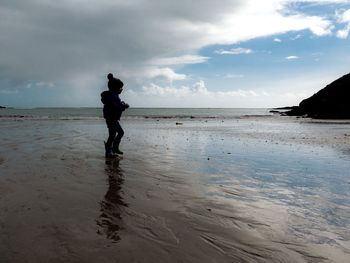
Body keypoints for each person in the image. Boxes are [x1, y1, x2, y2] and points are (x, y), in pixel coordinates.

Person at [101, 73, 129, 158]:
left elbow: (116, 105)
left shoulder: (113, 96)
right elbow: (115, 106)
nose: (121, 89)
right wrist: (124, 106)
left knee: (112, 135)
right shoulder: (112, 96)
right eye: (120, 88)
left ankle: (109, 151)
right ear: (115, 88)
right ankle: (113, 148)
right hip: (111, 118)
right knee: (120, 132)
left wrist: (121, 104)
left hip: (111, 118)